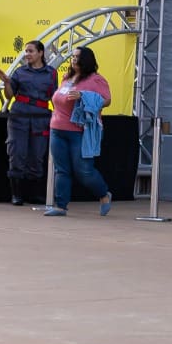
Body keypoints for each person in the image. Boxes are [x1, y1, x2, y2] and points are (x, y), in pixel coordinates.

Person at [45, 46, 114, 218]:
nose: (73, 59)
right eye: (73, 56)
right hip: (57, 129)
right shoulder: (67, 77)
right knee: (61, 169)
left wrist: (83, 95)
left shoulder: (96, 79)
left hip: (80, 131)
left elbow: (107, 101)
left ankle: (104, 194)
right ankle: (61, 206)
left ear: (87, 59)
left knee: (84, 171)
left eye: (77, 56)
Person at [3, 40, 57, 205]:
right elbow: (9, 95)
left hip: (41, 118)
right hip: (19, 116)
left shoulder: (51, 73)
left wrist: (59, 115)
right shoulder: (20, 72)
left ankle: (34, 194)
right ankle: (16, 195)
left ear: (41, 53)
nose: (27, 54)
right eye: (26, 51)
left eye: (30, 51)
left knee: (37, 156)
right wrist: (7, 83)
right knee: (17, 154)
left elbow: (55, 96)